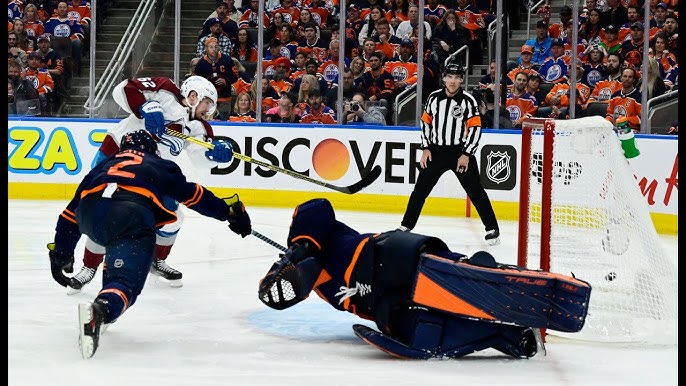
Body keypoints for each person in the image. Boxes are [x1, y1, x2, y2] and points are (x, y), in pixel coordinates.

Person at [257, 198, 592, 359]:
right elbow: (278, 288)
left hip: (390, 258)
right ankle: (510, 337)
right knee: (423, 334)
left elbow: (319, 206)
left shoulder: (311, 233)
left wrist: (299, 247)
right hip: (385, 302)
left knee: (459, 278)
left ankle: (486, 269)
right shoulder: (321, 287)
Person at [47, 130, 252, 359]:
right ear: (152, 148)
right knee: (125, 280)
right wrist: (229, 213)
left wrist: (61, 254)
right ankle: (102, 309)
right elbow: (194, 196)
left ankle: (105, 298)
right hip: (130, 216)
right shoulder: (159, 164)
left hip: (90, 217)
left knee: (116, 250)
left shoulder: (102, 167)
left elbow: (69, 215)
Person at [67, 75, 233, 292]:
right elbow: (122, 89)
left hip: (151, 172)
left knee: (173, 217)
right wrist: (145, 105)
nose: (209, 110)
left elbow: (199, 159)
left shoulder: (198, 128)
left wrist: (214, 155)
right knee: (107, 212)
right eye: (207, 103)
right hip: (117, 156)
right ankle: (88, 267)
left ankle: (157, 261)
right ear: (194, 96)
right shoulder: (164, 90)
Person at [397, 62, 501, 245]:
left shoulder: (468, 101)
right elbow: (425, 123)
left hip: (459, 152)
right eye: (450, 77)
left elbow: (476, 128)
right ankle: (406, 225)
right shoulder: (433, 98)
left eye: (456, 78)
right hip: (435, 152)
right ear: (444, 78)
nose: (452, 81)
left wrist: (466, 154)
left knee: (475, 190)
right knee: (420, 190)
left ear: (461, 79)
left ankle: (492, 228)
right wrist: (426, 148)